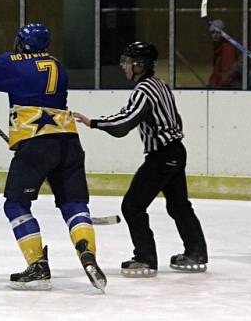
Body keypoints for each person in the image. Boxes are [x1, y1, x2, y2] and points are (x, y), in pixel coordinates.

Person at [0, 23, 107, 292]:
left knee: (16, 205)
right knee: (74, 203)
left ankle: (37, 266)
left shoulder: (12, 61)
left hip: (35, 143)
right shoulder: (57, 64)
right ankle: (87, 253)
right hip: (68, 139)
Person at [74, 41, 208, 276]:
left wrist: (93, 122)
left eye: (127, 61)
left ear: (140, 64)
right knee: (179, 206)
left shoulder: (144, 90)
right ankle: (196, 252)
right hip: (175, 151)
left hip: (162, 156)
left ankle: (145, 257)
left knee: (132, 206)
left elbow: (124, 123)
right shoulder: (160, 85)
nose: (123, 66)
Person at [207, 19, 240, 88]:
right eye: (213, 32)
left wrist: (217, 86)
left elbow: (227, 73)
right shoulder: (218, 46)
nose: (215, 35)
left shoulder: (228, 47)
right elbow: (217, 71)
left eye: (218, 32)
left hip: (225, 87)